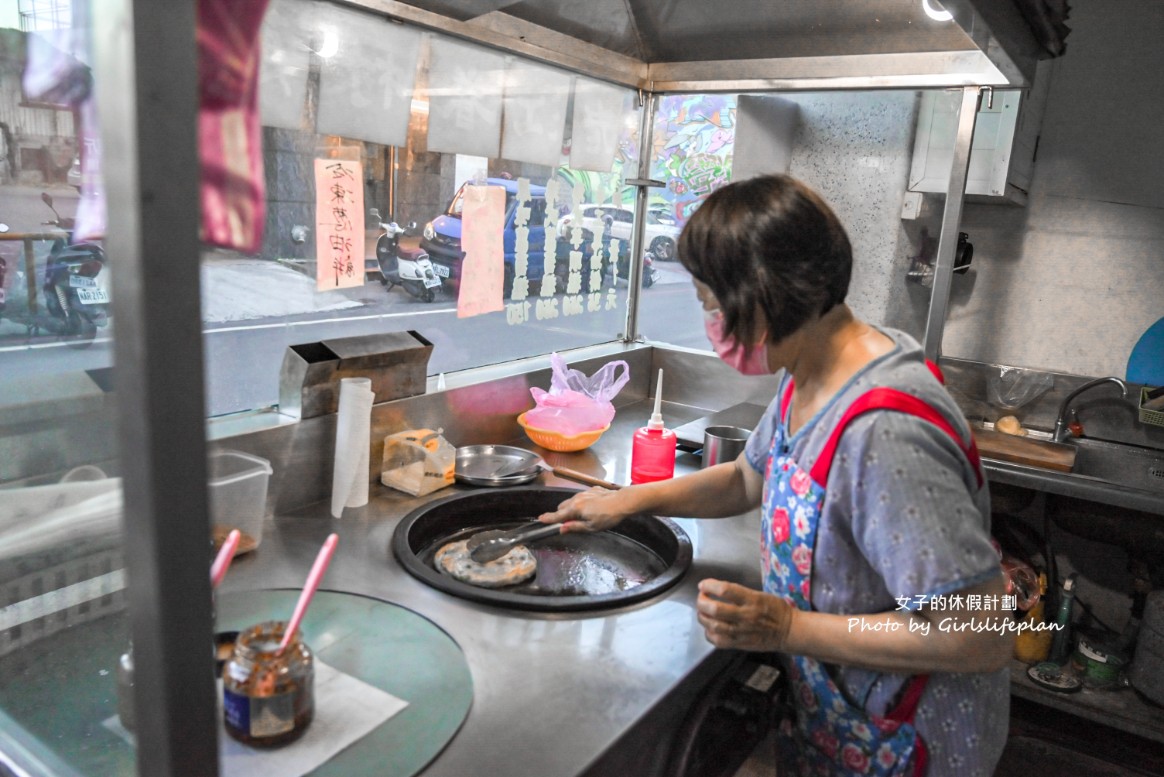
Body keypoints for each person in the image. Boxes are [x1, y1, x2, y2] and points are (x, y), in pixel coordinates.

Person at [539, 175, 1012, 776]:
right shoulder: (814, 367)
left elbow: (979, 634)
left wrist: (787, 626)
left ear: (762, 296)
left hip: (910, 738)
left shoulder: (885, 431)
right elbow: (745, 478)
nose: (710, 321)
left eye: (711, 304)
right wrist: (630, 501)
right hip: (843, 718)